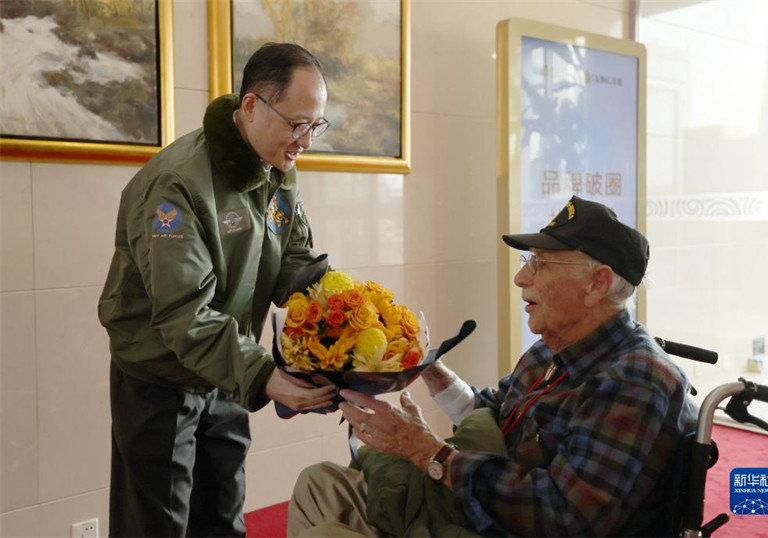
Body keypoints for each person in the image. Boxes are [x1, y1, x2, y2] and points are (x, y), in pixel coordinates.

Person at [288, 196, 699, 537]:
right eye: (528, 260)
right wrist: (429, 368)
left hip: (508, 526)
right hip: (475, 513)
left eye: (540, 264)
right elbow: (493, 413)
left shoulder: (636, 381)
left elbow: (563, 515)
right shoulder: (550, 352)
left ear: (598, 283)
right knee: (319, 484)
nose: (521, 278)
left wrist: (429, 453)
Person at [98, 43, 338, 537]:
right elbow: (184, 314)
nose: (306, 142)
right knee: (158, 524)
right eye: (298, 124)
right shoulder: (176, 185)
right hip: (161, 376)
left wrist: (340, 311)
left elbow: (292, 256)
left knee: (223, 518)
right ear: (251, 106)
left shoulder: (276, 165)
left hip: (226, 367)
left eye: (316, 126)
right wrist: (264, 375)